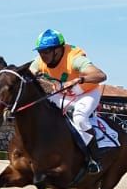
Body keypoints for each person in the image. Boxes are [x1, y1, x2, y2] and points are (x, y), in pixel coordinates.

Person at [29, 29, 109, 173]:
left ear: (58, 50)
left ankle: (94, 158)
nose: (42, 56)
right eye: (40, 52)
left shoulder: (75, 59)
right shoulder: (40, 61)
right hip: (64, 93)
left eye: (46, 52)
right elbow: (28, 76)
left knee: (79, 117)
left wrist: (79, 79)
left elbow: (101, 75)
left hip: (87, 93)